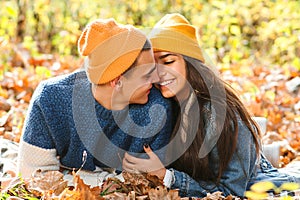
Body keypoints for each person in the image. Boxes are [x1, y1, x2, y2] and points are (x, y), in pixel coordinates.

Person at [122, 13, 299, 198]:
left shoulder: (218, 113)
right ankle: (265, 150)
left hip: (259, 183)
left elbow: (231, 192)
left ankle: (262, 152)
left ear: (190, 63)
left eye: (168, 61)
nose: (159, 73)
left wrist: (166, 176)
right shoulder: (164, 101)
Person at [16, 18, 175, 186]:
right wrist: (104, 181)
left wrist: (70, 176)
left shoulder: (157, 109)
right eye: (147, 73)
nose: (157, 79)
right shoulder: (51, 99)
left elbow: (148, 184)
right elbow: (33, 176)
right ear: (117, 81)